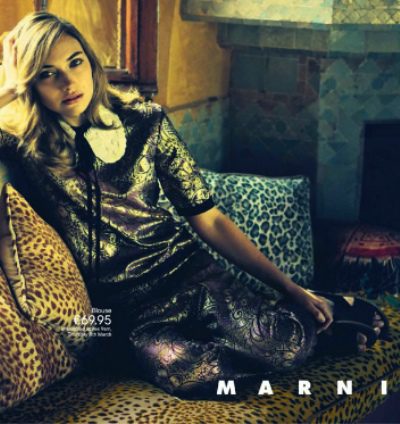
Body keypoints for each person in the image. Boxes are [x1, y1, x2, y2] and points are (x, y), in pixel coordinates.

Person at [0, 12, 387, 399]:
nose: (68, 82)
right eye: (47, 74)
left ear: (91, 61)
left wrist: (289, 287)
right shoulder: (25, 142)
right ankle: (294, 327)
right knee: (198, 375)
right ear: (30, 82)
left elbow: (209, 219)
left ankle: (314, 310)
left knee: (282, 346)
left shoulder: (145, 122)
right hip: (124, 312)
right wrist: (9, 85)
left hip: (186, 274)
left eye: (75, 62)